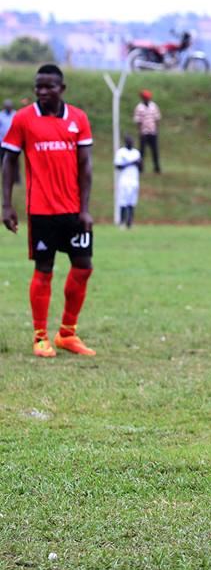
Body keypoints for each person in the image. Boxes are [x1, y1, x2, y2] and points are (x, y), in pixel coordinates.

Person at [1, 64, 98, 358]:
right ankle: (40, 336)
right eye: (38, 87)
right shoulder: (23, 119)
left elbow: (86, 167)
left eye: (49, 87)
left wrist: (85, 209)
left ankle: (67, 333)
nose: (43, 92)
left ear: (62, 89)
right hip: (41, 211)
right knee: (44, 271)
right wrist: (6, 205)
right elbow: (9, 162)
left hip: (73, 212)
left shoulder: (78, 119)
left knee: (83, 268)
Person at [114, 135, 141, 228]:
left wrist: (139, 163)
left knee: (132, 201)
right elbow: (118, 166)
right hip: (124, 180)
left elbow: (140, 166)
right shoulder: (121, 152)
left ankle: (130, 222)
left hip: (134, 179)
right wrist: (131, 163)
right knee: (123, 201)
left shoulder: (136, 152)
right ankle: (122, 222)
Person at [133, 90, 162, 174]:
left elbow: (157, 118)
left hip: (152, 132)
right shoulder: (139, 107)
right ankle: (140, 168)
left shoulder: (153, 106)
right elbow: (138, 120)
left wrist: (156, 129)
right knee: (142, 152)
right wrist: (140, 131)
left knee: (155, 151)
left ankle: (157, 168)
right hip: (144, 132)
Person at [0, 99, 19, 184]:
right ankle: (5, 178)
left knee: (15, 161)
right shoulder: (1, 115)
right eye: (6, 106)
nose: (8, 108)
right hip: (2, 142)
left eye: (9, 106)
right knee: (3, 160)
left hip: (14, 142)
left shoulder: (16, 114)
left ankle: (17, 179)